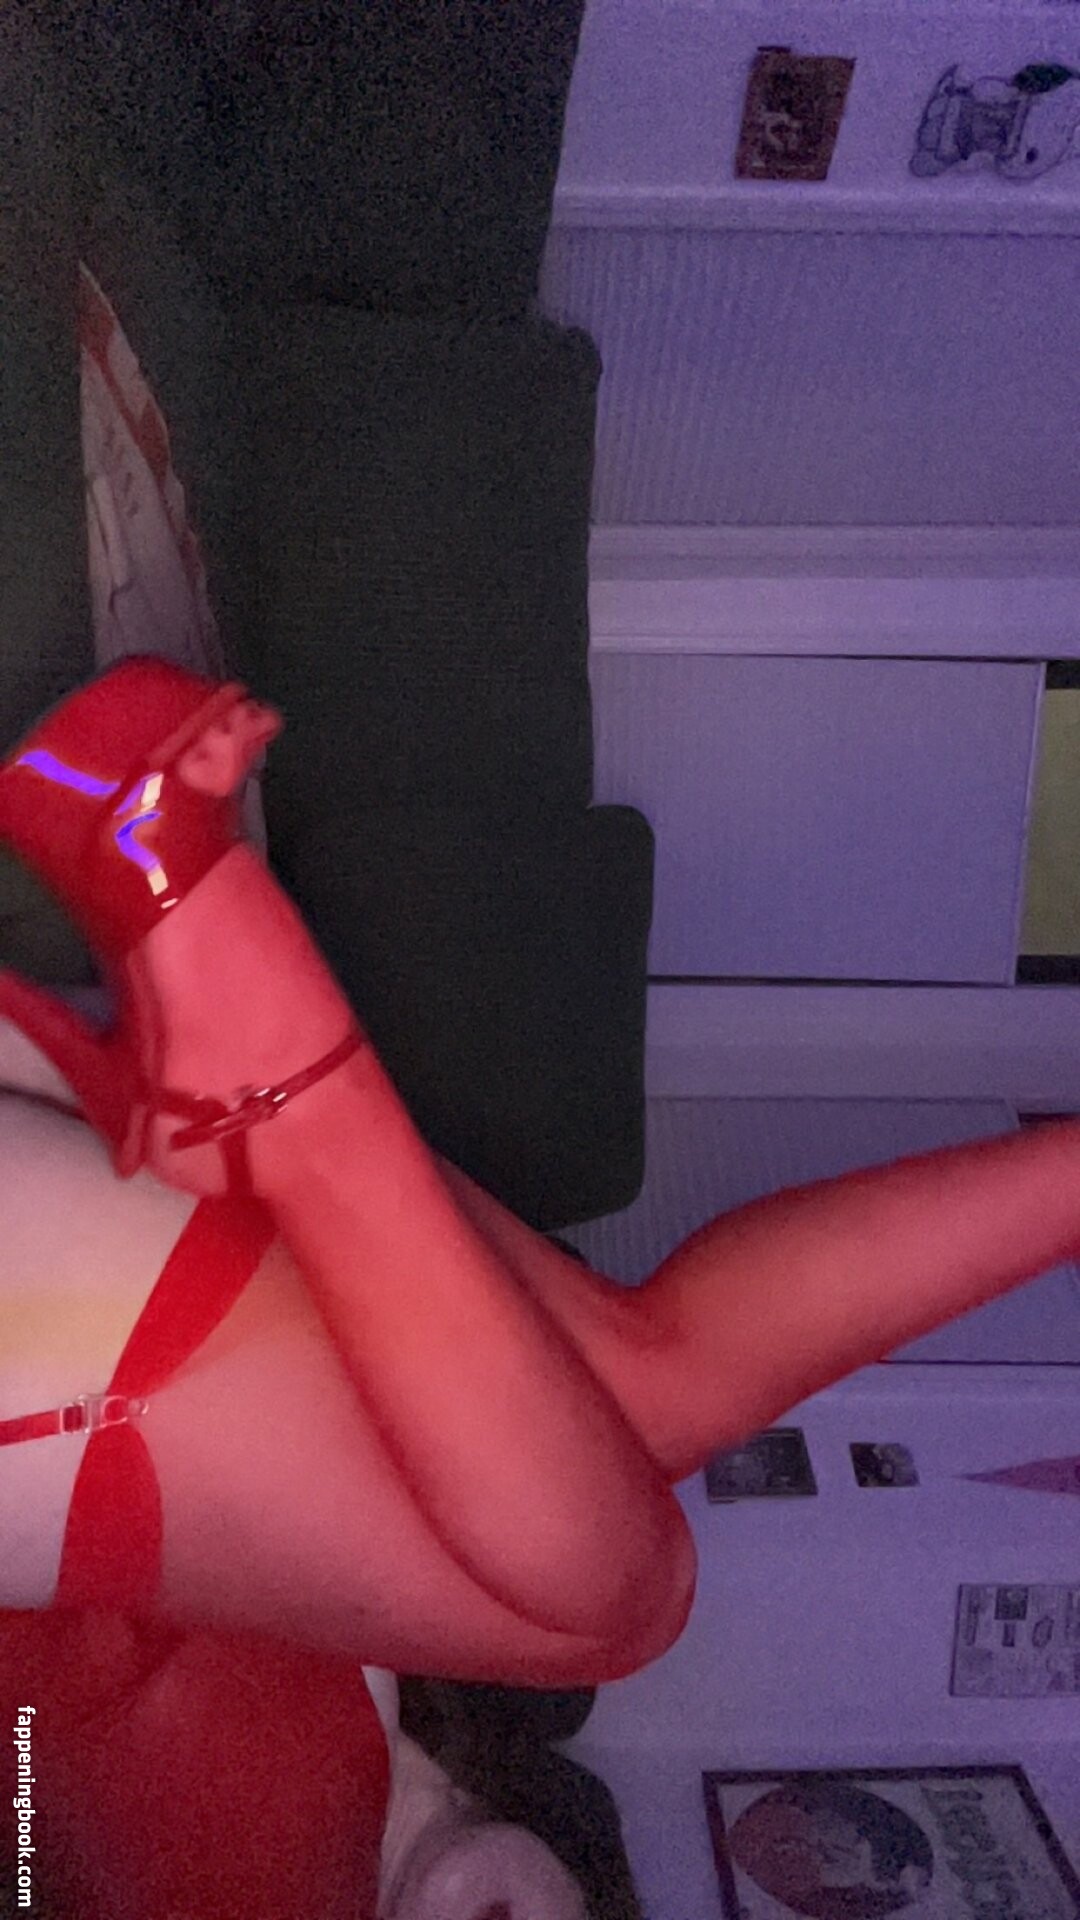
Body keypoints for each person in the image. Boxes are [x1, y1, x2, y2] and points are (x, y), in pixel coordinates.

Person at [5, 660, 1080, 1916]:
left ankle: (270, 1085)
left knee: (620, 1605)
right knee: (647, 1392)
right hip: (92, 1261)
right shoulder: (400, 1648)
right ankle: (262, 1086)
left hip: (53, 1365)